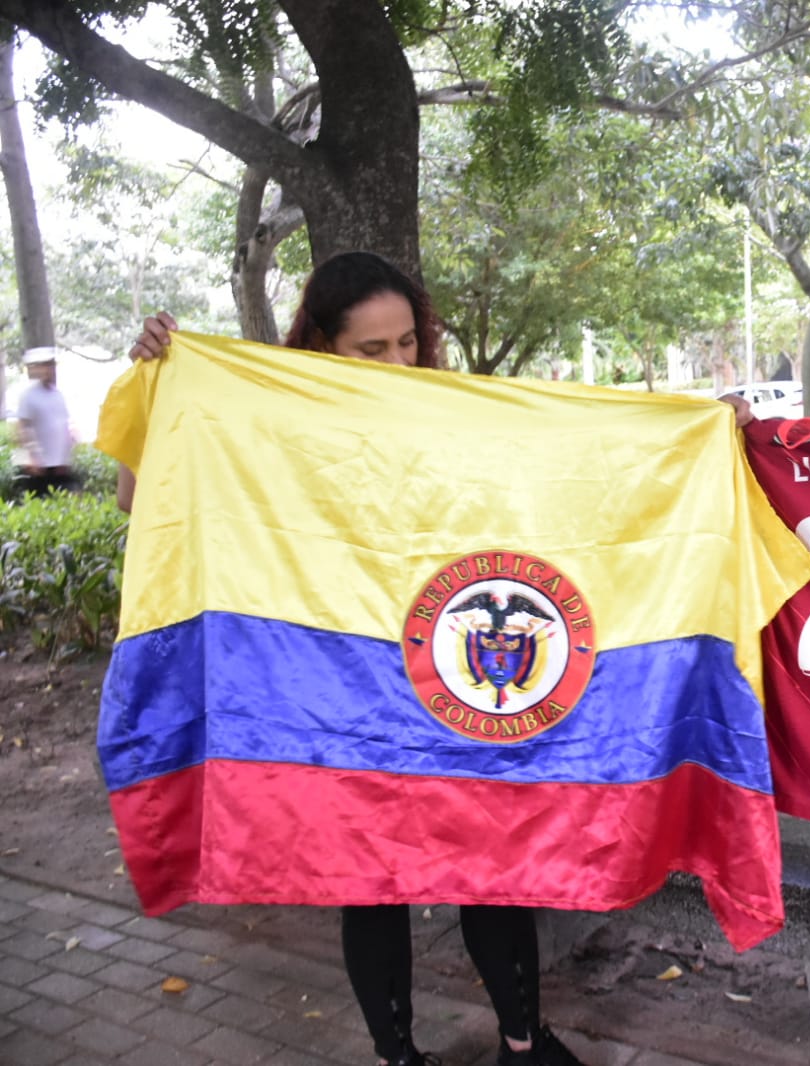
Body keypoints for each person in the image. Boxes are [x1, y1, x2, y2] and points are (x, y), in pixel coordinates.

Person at [125, 252, 583, 1066]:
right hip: (336, 688)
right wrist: (163, 381)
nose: (398, 364)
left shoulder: (454, 412)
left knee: (490, 858)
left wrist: (695, 434)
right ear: (323, 347)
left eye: (408, 343)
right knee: (369, 877)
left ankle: (526, 1043)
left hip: (445, 671)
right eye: (371, 351)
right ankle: (398, 1057)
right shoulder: (274, 420)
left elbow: (567, 473)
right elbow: (143, 495)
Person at [13, 347, 78, 496]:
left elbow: (65, 426)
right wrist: (28, 459)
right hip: (38, 468)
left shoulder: (57, 394)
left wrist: (68, 454)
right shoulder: (27, 395)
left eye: (51, 365)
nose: (50, 369)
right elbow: (20, 429)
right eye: (45, 365)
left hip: (60, 465)